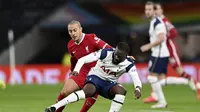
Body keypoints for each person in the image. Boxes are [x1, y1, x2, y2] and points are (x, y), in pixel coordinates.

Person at [45, 42, 142, 112]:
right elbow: (83, 59)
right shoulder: (105, 53)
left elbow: (135, 77)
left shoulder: (128, 64)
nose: (116, 57)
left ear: (125, 56)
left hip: (109, 84)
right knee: (88, 91)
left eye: (119, 56)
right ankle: (55, 106)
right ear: (114, 50)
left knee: (121, 91)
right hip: (95, 77)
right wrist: (77, 69)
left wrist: (138, 88)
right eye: (116, 54)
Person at [143, 2, 200, 103]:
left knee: (179, 71)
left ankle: (196, 84)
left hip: (170, 49)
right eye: (154, 9)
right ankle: (155, 95)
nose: (155, 11)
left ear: (161, 10)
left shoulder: (164, 21)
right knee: (156, 74)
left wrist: (164, 38)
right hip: (161, 51)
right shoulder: (156, 21)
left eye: (157, 9)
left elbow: (174, 32)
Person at [56, 20, 112, 112]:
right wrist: (73, 71)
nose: (73, 33)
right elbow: (73, 59)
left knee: (91, 94)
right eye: (70, 31)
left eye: (75, 30)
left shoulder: (91, 38)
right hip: (82, 71)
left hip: (96, 72)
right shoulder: (70, 45)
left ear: (80, 29)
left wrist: (124, 56)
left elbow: (108, 48)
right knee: (65, 91)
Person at [140, 1, 169, 108]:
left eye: (149, 10)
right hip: (157, 53)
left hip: (159, 54)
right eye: (146, 9)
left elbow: (161, 38)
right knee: (160, 79)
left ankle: (186, 81)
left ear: (154, 11)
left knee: (153, 78)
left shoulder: (157, 23)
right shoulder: (153, 21)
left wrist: (148, 46)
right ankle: (158, 98)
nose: (147, 12)